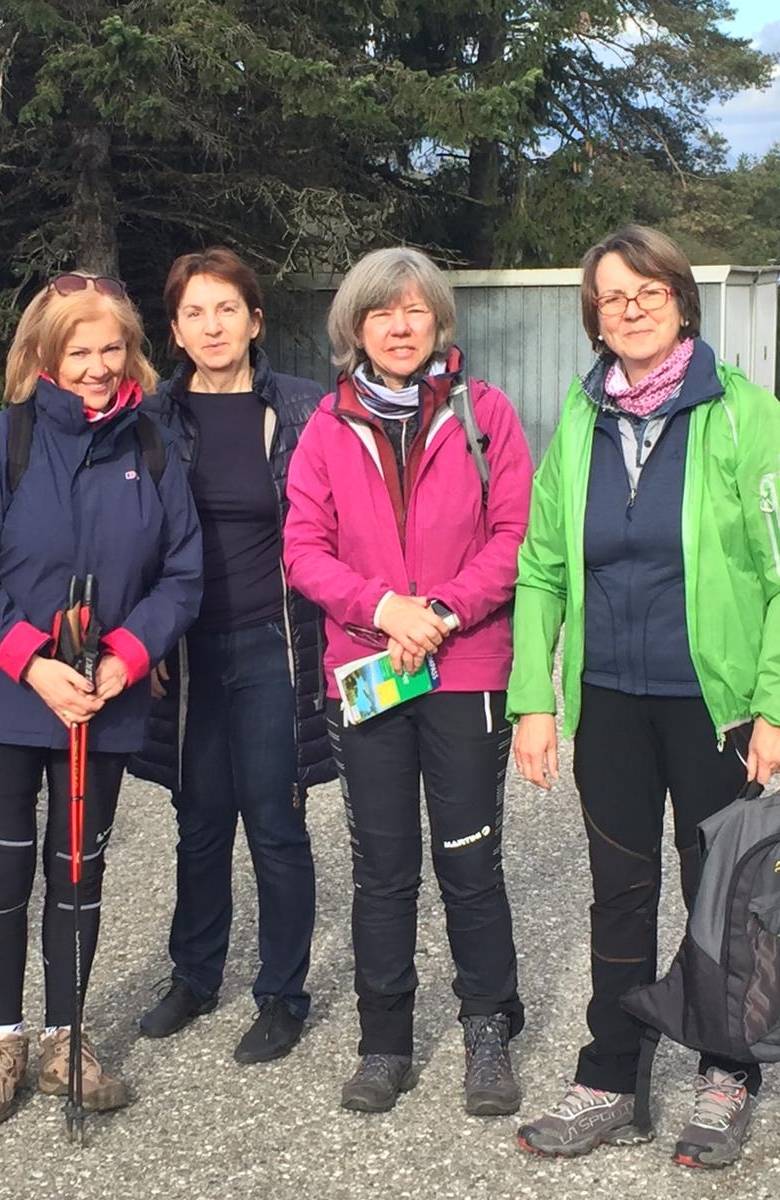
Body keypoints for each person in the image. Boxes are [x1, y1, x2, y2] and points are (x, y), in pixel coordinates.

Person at [508, 225, 780, 1168]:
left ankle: (729, 1071)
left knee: (721, 896)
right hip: (608, 702)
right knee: (618, 895)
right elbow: (541, 569)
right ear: (594, 318)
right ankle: (611, 1077)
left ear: (682, 302)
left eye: (648, 291)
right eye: (613, 297)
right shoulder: (578, 422)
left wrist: (779, 710)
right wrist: (534, 700)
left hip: (712, 709)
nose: (632, 308)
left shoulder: (749, 419)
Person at [0, 272, 203, 1125]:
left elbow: (182, 574)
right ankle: (2, 1040)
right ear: (47, 356)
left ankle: (65, 1039)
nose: (97, 366)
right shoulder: (2, 441)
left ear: (132, 351)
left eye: (111, 348)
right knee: (3, 868)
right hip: (4, 697)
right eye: (79, 351)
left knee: (77, 872)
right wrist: (34, 662)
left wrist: (128, 656)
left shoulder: (151, 445)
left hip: (102, 696)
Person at [283, 246, 534, 1116]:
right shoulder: (326, 428)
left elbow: (514, 536)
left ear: (439, 322)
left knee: (470, 862)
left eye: (415, 310)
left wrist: (442, 612)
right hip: (369, 670)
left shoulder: (485, 414)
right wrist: (385, 609)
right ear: (355, 327)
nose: (399, 326)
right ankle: (384, 1042)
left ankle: (487, 1031)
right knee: (383, 869)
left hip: (465, 667)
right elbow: (303, 550)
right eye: (381, 312)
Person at [129, 247, 332, 1063]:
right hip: (185, 649)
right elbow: (130, 536)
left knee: (275, 819)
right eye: (194, 313)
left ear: (255, 320)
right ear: (176, 331)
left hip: (274, 642)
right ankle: (194, 975)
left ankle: (282, 994)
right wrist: (141, 632)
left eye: (226, 309)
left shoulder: (306, 409)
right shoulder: (151, 420)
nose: (212, 327)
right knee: (201, 817)